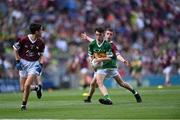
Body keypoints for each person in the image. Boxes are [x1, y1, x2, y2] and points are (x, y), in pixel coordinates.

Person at [82, 28, 142, 104]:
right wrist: (87, 37)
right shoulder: (98, 41)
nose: (109, 35)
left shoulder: (111, 45)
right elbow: (94, 41)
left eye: (111, 34)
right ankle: (89, 98)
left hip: (110, 66)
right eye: (108, 34)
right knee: (93, 83)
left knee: (120, 83)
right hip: (102, 66)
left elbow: (117, 55)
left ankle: (134, 93)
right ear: (104, 35)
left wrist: (123, 60)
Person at [13, 23, 45, 110]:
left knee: (27, 85)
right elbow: (15, 48)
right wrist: (18, 61)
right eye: (41, 30)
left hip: (34, 64)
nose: (42, 31)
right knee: (22, 89)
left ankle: (23, 105)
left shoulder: (41, 42)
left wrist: (40, 65)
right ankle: (37, 88)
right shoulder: (24, 39)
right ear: (36, 31)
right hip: (23, 64)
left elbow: (41, 55)